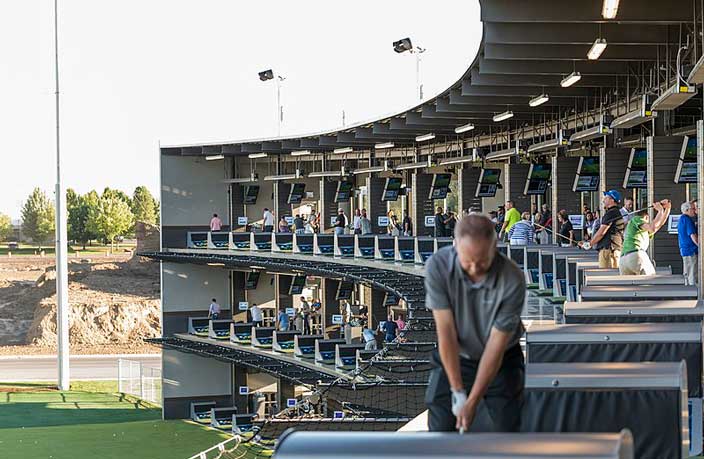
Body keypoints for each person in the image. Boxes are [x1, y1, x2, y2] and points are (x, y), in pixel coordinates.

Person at [425, 214, 525, 432]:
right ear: (455, 246)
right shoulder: (437, 267)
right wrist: (458, 392)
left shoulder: (512, 278)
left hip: (502, 357)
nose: (474, 269)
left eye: (482, 262)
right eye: (467, 262)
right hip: (456, 352)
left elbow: (495, 346)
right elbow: (446, 333)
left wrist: (471, 403)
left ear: (494, 247)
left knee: (505, 427)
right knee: (440, 425)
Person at [619, 199, 671, 275]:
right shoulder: (636, 219)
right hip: (635, 255)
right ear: (646, 217)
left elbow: (659, 224)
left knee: (629, 284)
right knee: (650, 279)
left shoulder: (640, 231)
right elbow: (652, 227)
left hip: (623, 260)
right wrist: (660, 211)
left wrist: (667, 209)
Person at [585, 190, 625, 269]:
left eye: (606, 198)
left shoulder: (611, 213)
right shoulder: (616, 212)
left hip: (608, 250)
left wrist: (590, 243)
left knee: (607, 276)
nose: (603, 200)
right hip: (614, 248)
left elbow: (602, 232)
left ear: (612, 200)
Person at [679, 201, 699, 285]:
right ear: (687, 210)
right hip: (691, 250)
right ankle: (694, 293)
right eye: (693, 209)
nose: (695, 211)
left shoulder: (682, 219)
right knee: (693, 274)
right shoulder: (687, 220)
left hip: (685, 250)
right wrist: (700, 246)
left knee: (688, 273)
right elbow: (693, 235)